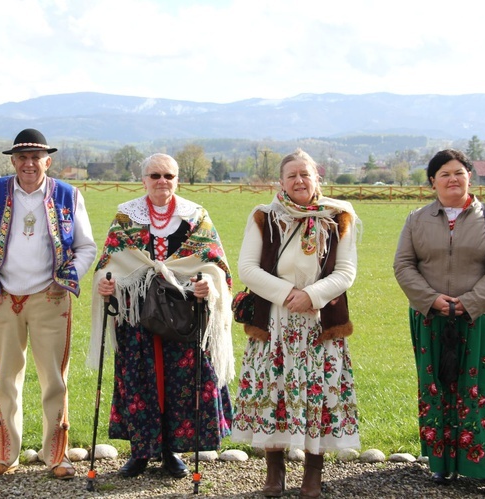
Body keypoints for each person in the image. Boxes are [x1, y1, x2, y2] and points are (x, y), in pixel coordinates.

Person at [0, 128, 96, 479]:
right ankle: (6, 453)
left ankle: (56, 456)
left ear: (48, 160)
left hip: (51, 298)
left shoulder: (68, 194)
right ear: (13, 161)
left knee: (55, 380)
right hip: (4, 298)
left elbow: (86, 246)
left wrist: (65, 280)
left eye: (36, 157)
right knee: (6, 377)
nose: (29, 164)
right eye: (23, 157)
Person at [90, 153, 235, 479]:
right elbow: (111, 261)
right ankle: (141, 453)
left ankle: (171, 452)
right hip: (137, 316)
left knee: (179, 384)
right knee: (141, 383)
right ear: (143, 180)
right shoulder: (127, 216)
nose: (161, 182)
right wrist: (108, 284)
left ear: (177, 179)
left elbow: (215, 264)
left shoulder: (196, 216)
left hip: (181, 315)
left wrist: (207, 287)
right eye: (154, 175)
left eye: (168, 176)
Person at [231, 148, 360, 498]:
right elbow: (247, 268)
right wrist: (289, 294)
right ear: (281, 182)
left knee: (317, 393)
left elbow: (346, 271)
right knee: (274, 392)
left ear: (317, 176)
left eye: (306, 174)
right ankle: (274, 472)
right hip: (274, 320)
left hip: (320, 324)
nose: (300, 180)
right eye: (292, 176)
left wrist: (312, 296)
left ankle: (313, 476)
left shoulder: (339, 215)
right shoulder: (264, 216)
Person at [393, 149, 485, 499]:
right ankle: (442, 463)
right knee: (437, 389)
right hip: (431, 318)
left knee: (484, 393)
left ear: (470, 177)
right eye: (444, 174)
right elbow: (404, 265)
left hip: (477, 318)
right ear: (432, 181)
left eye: (459, 172)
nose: (452, 179)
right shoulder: (416, 219)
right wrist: (432, 300)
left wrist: (470, 302)